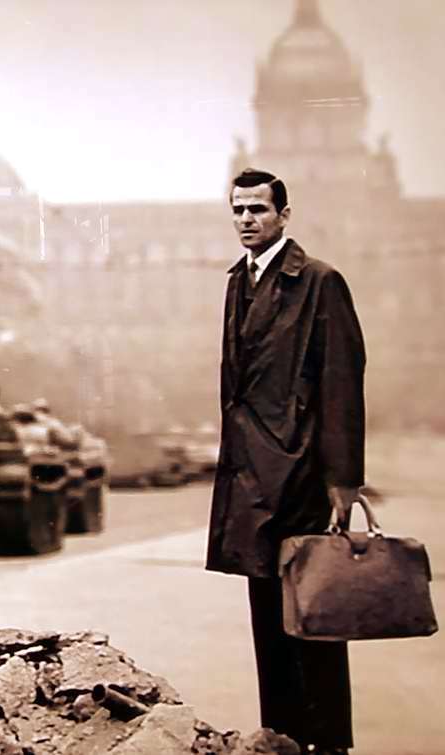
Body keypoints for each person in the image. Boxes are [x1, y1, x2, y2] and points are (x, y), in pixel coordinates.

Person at [207, 168, 366, 755]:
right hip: (252, 476)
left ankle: (328, 743)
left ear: (284, 216)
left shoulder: (320, 282)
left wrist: (343, 479)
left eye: (258, 210)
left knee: (314, 612)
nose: (247, 219)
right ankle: (283, 737)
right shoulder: (238, 282)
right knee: (266, 614)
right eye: (238, 210)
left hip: (301, 473)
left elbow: (342, 383)